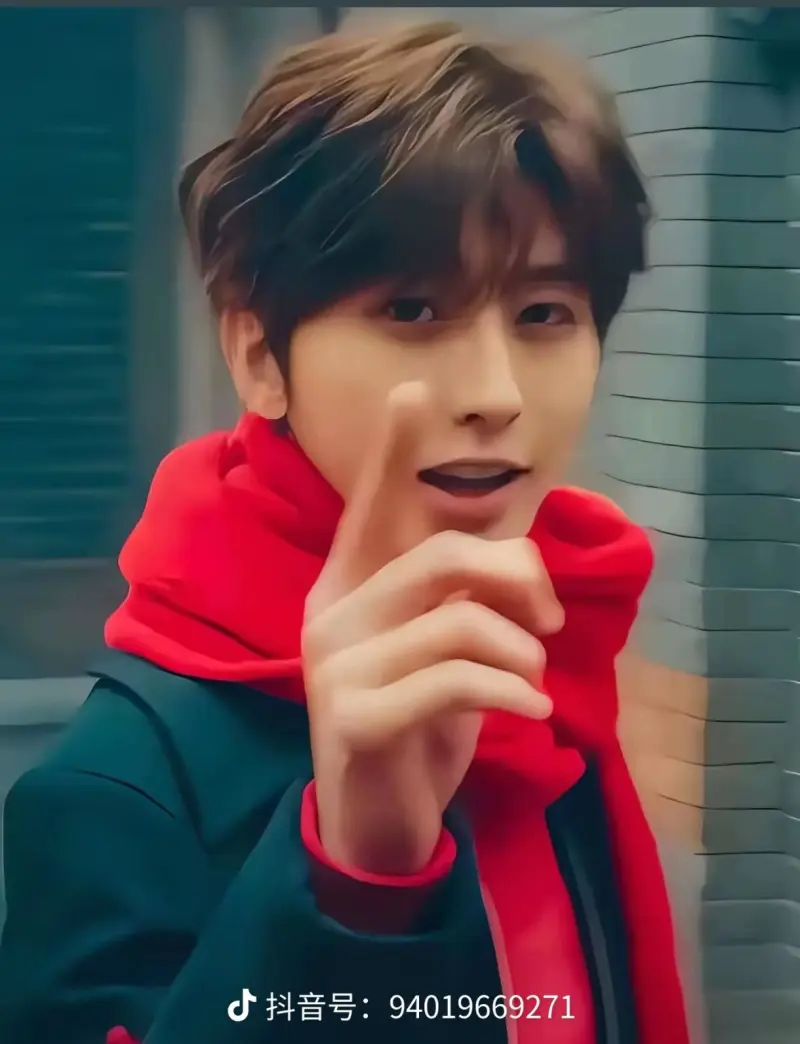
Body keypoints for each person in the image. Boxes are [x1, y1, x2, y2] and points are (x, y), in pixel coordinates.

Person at [0, 21, 689, 1044]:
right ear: (257, 355)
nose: (495, 393)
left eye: (544, 313)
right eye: (412, 309)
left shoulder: (554, 655)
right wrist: (356, 875)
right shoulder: (121, 790)